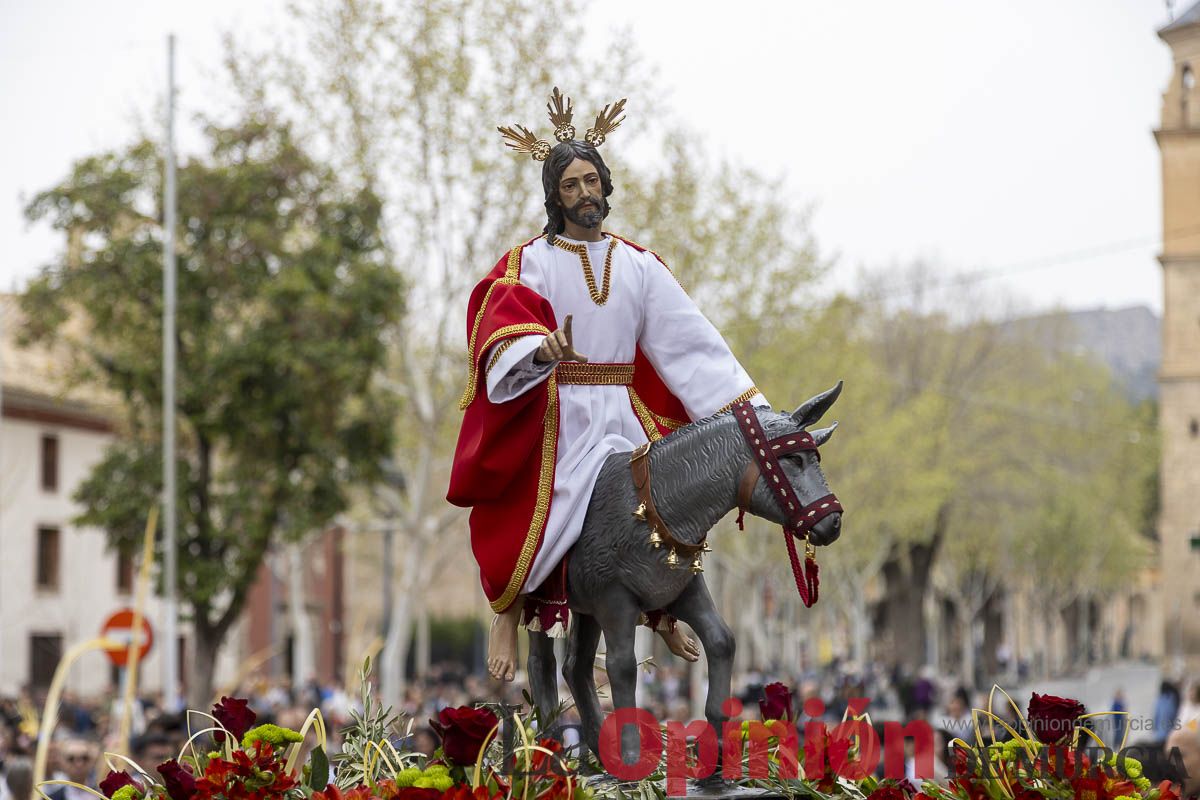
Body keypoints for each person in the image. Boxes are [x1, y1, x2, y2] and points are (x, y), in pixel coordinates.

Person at [449, 89, 765, 682]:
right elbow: (499, 320)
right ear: (554, 194)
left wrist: (756, 418)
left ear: (605, 184)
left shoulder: (639, 265)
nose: (585, 194)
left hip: (622, 409)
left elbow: (690, 344)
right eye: (570, 185)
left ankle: (667, 608)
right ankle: (509, 608)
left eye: (591, 181)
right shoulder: (532, 261)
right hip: (561, 414)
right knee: (552, 509)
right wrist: (541, 349)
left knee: (669, 502)